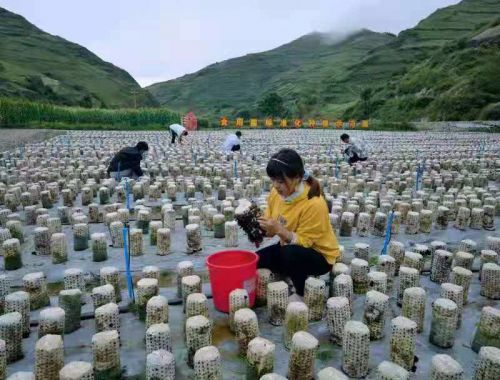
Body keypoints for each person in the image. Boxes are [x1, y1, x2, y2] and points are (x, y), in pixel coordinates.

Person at [256, 148, 340, 300]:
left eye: (281, 181)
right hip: (288, 245)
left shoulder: (314, 204)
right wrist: (263, 229)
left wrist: (279, 230)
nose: (275, 185)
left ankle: (301, 292)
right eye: (273, 180)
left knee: (289, 254)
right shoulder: (277, 192)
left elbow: (304, 243)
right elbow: (270, 219)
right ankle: (287, 276)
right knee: (256, 259)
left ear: (297, 178)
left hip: (318, 254)